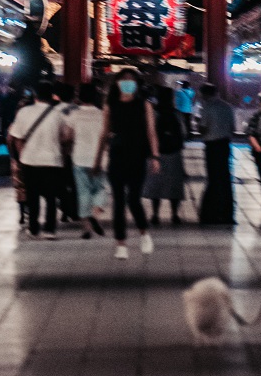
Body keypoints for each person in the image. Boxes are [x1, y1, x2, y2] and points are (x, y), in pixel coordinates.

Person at [93, 68, 160, 260]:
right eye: (124, 80)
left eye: (131, 80)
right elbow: (103, 134)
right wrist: (98, 159)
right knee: (119, 202)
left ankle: (144, 233)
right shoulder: (110, 106)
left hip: (138, 156)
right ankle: (120, 243)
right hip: (117, 156)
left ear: (137, 84)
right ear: (117, 83)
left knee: (133, 199)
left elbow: (151, 132)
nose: (127, 83)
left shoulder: (144, 105)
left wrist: (155, 156)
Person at [8, 80, 71, 239]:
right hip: (52, 160)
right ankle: (50, 230)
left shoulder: (24, 112)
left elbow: (16, 137)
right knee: (51, 197)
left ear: (35, 94)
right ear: (51, 96)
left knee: (32, 195)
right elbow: (66, 136)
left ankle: (34, 228)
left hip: (30, 160)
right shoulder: (58, 114)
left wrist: (22, 156)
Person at [64, 81, 108, 239]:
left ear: (79, 97)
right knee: (100, 189)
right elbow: (107, 137)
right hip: (99, 159)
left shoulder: (74, 114)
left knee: (83, 193)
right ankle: (95, 215)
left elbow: (67, 137)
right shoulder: (102, 114)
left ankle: (86, 229)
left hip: (80, 158)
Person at [143, 85, 186, 225]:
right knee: (174, 185)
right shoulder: (177, 113)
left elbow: (147, 132)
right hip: (174, 153)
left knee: (156, 184)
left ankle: (155, 214)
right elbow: (183, 133)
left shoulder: (153, 113)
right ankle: (175, 214)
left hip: (156, 153)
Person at [198, 83, 236, 225]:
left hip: (212, 146)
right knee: (225, 179)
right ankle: (227, 213)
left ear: (205, 94)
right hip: (225, 145)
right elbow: (232, 128)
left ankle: (210, 213)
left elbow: (203, 128)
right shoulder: (227, 107)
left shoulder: (207, 107)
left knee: (213, 179)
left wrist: (199, 126)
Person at [53, 81, 78, 223]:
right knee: (74, 183)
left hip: (58, 150)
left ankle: (63, 209)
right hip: (74, 151)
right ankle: (73, 211)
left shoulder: (53, 110)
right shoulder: (77, 110)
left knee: (60, 183)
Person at [9, 91, 34, 225]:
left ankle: (22, 214)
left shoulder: (13, 126)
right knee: (28, 187)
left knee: (20, 188)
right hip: (28, 159)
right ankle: (27, 212)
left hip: (18, 159)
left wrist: (13, 157)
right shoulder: (30, 124)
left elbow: (9, 142)